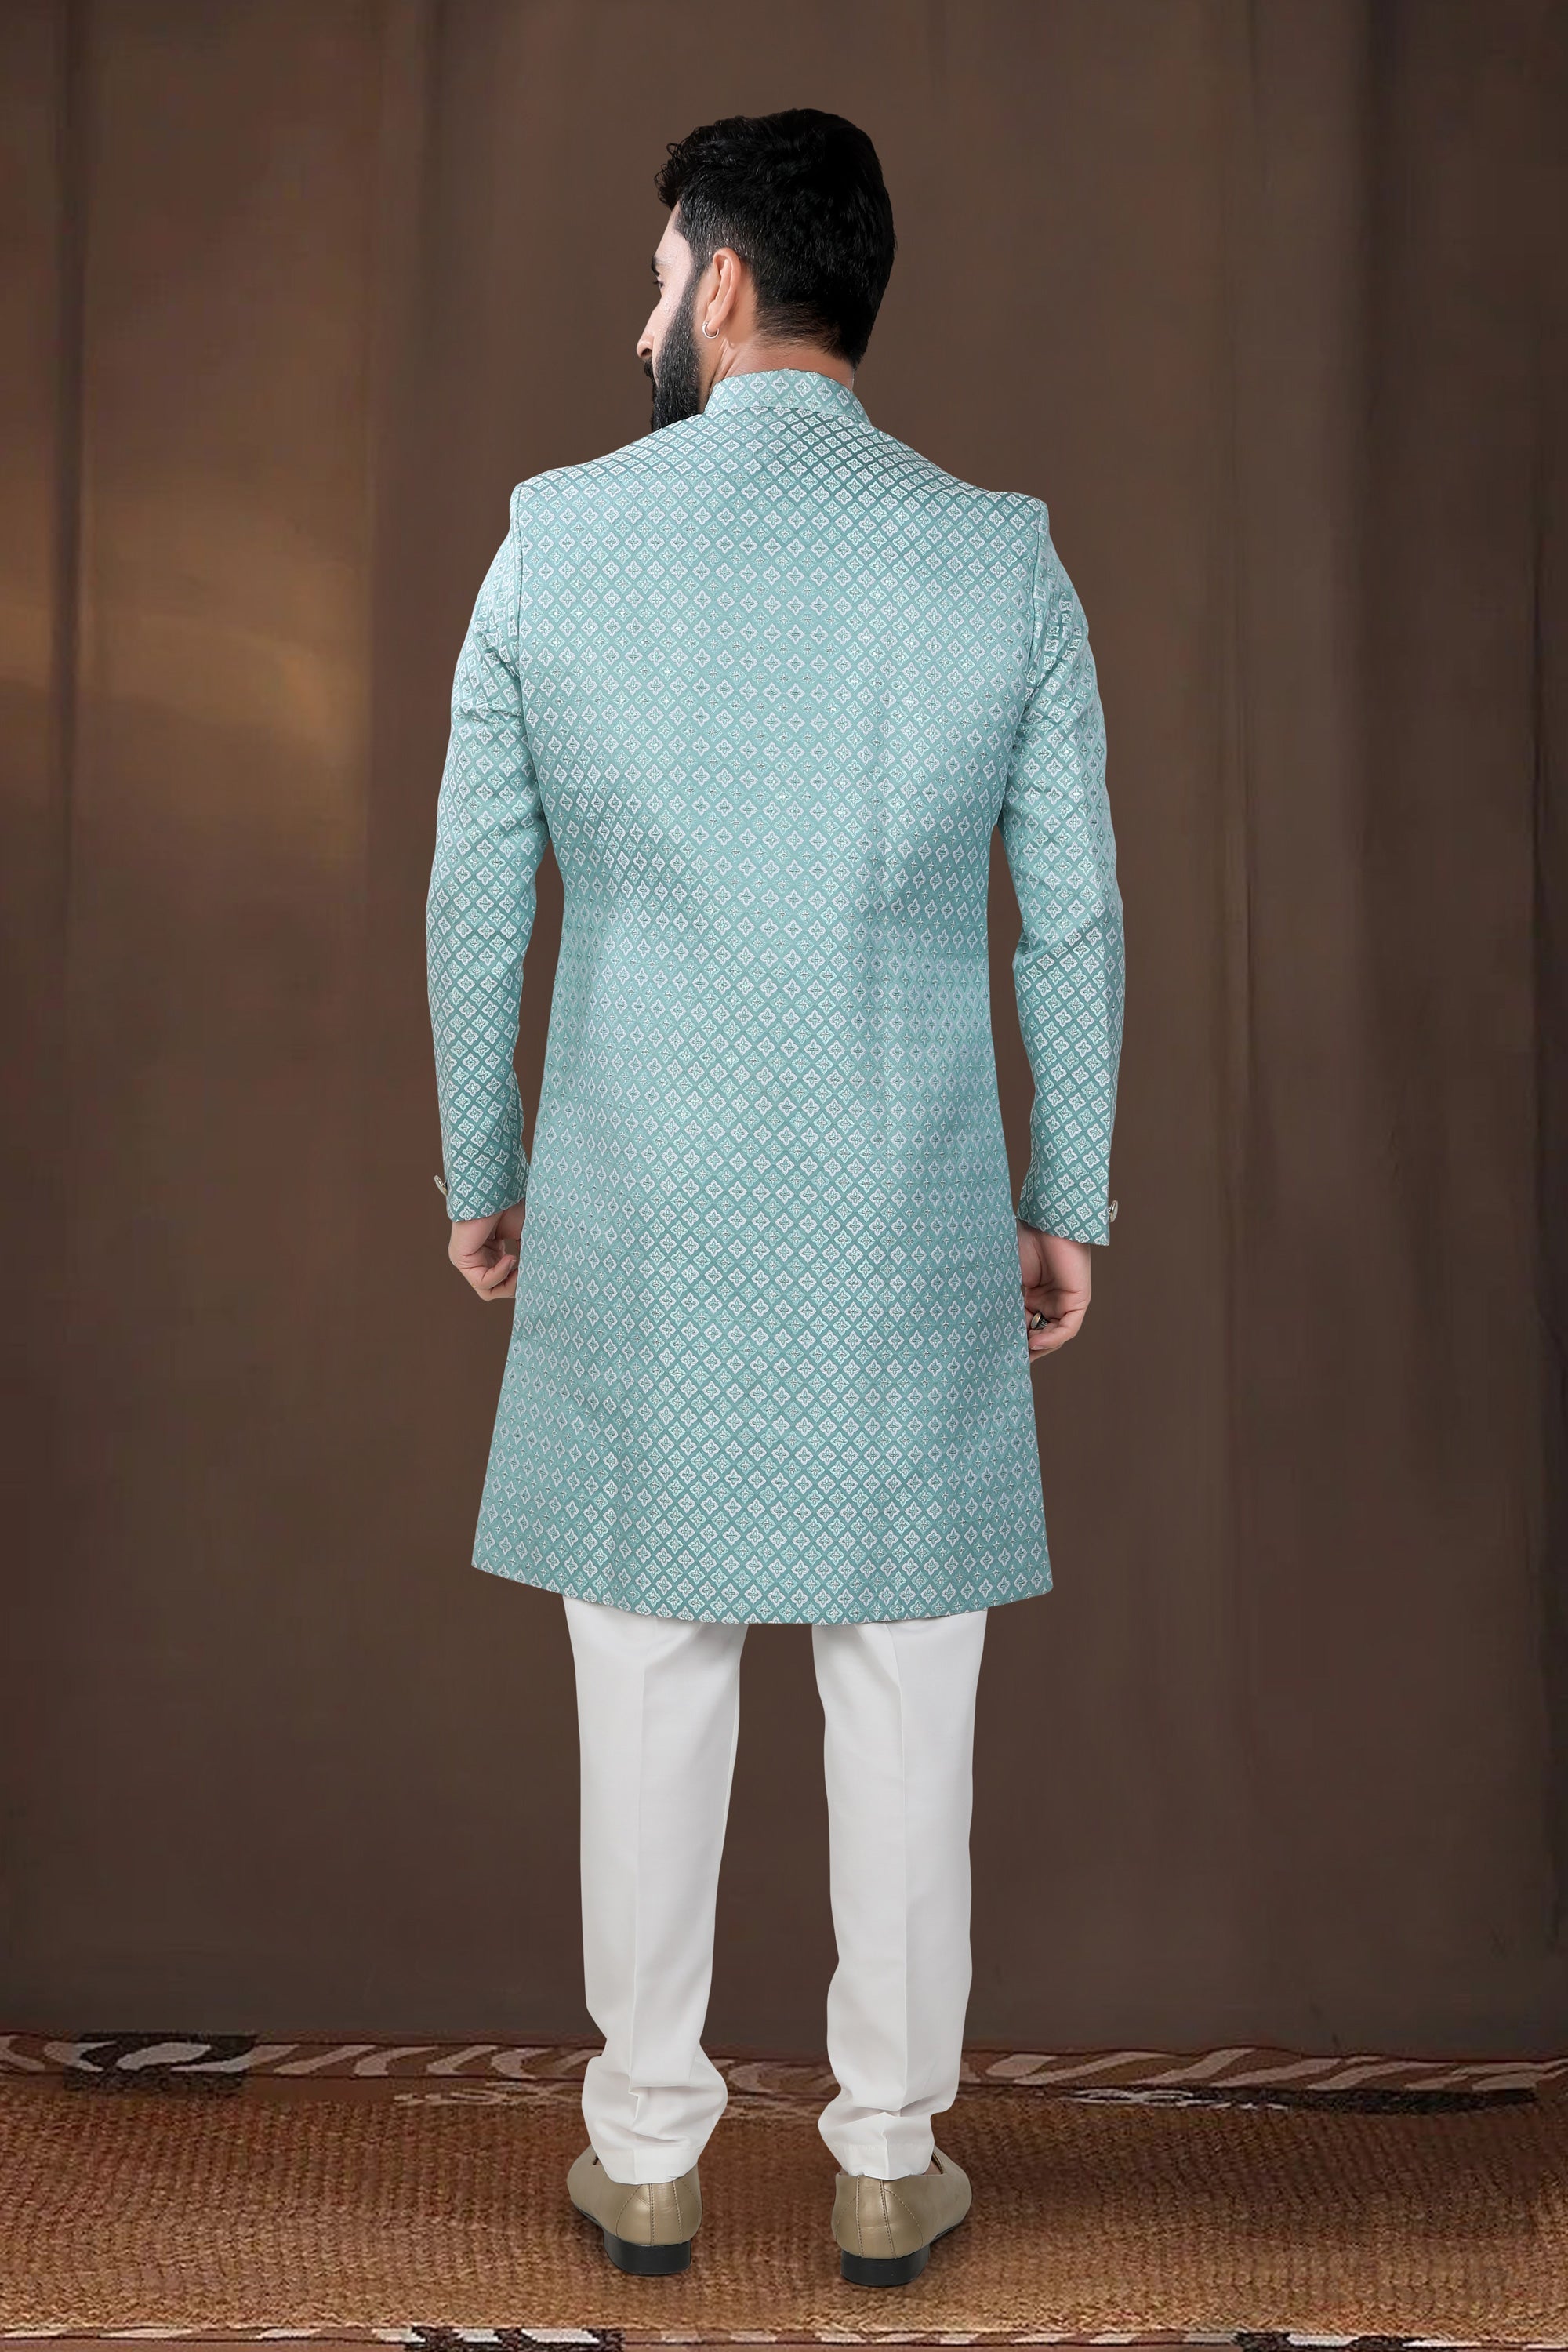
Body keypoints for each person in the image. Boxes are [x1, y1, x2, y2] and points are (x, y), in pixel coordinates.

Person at [425, 107, 1123, 2290]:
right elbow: (1074, 915)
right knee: (905, 1696)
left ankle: (644, 2150)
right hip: (913, 1216)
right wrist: (1069, 1189)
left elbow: (475, 889)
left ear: (722, 283)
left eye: (657, 275)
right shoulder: (999, 558)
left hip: (634, 1214)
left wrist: (482, 1166)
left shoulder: (552, 541)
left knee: (648, 1683)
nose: (641, 314)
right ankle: (887, 2159)